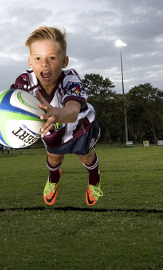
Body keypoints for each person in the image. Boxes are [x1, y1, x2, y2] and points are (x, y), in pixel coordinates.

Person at [11, 26, 102, 206]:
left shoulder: (71, 80)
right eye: (38, 58)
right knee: (54, 158)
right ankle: (53, 179)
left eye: (51, 58)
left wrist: (55, 112)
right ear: (30, 62)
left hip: (79, 128)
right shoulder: (24, 82)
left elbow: (72, 112)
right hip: (51, 128)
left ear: (64, 61)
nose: (44, 64)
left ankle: (94, 179)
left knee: (85, 156)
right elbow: (10, 105)